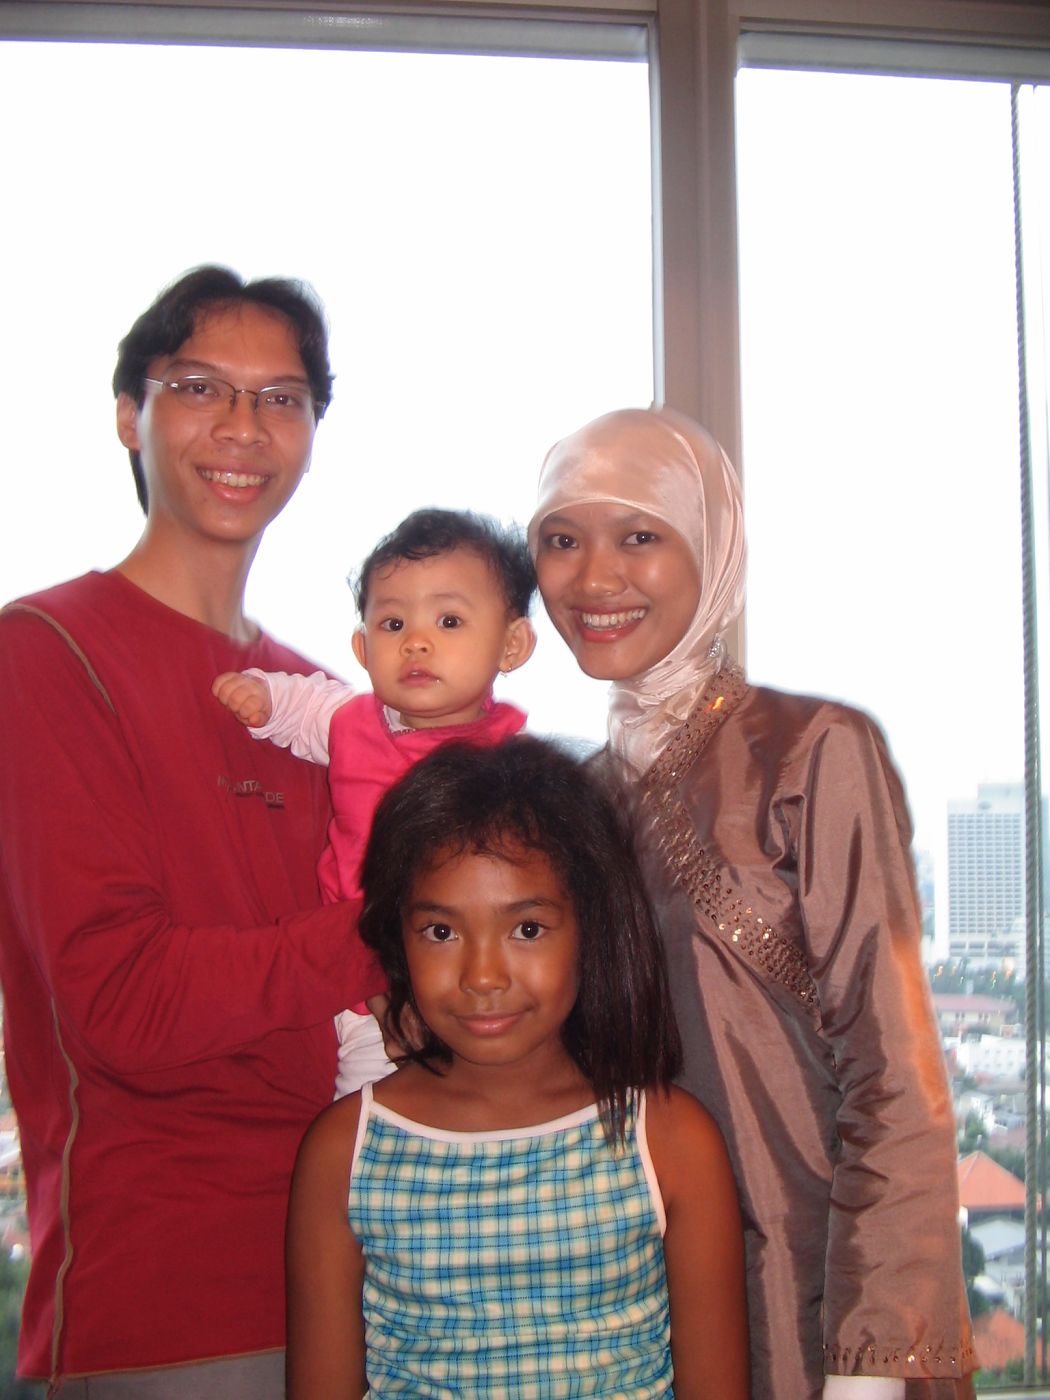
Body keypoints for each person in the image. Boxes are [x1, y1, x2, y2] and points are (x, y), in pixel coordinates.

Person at [528, 406, 977, 1400]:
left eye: (638, 535)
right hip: (637, 1312)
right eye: (561, 540)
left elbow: (893, 1070)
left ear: (713, 545)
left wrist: (871, 1355)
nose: (594, 578)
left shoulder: (811, 751)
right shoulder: (579, 801)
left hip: (817, 1287)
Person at [0, 266, 387, 1397]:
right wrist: (392, 931)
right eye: (201, 387)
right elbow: (122, 1001)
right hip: (168, 1298)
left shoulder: (321, 702)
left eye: (282, 398)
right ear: (131, 414)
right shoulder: (47, 653)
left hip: (372, 1280)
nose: (243, 427)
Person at [286, 735, 749, 1399]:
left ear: (591, 929)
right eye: (442, 931)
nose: (482, 976)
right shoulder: (345, 1151)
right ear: (399, 938)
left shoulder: (670, 1140)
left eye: (526, 929)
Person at [213, 507, 537, 1094]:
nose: (416, 642)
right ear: (362, 648)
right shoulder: (351, 722)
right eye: (392, 624)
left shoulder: (511, 760)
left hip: (473, 975)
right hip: (364, 982)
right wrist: (261, 696)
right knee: (369, 1103)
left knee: (490, 1099)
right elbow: (301, 704)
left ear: (510, 644)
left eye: (448, 620)